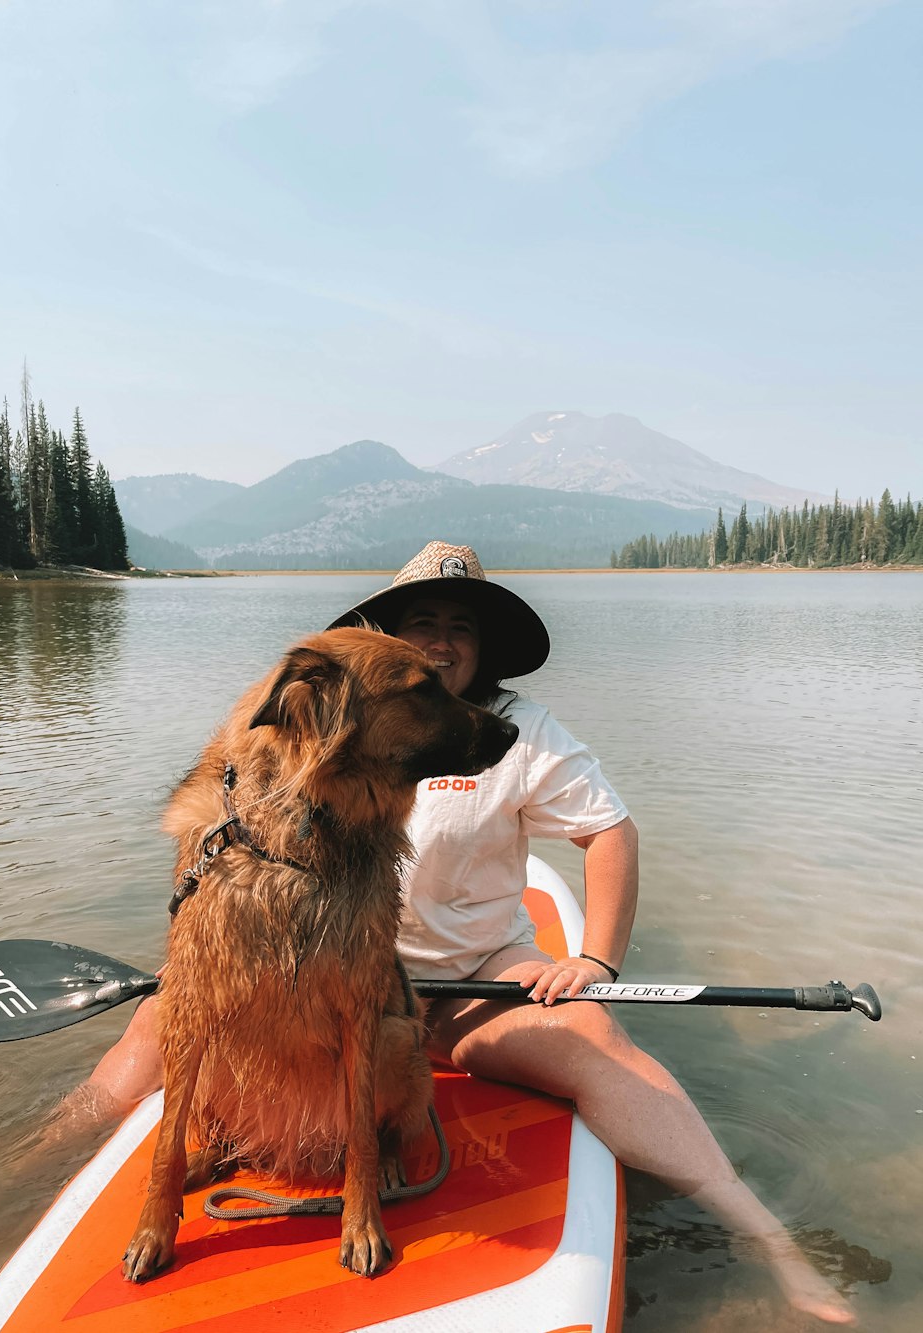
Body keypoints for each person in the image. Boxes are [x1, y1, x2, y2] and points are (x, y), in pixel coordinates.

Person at [55, 541, 854, 1325]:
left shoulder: (514, 730)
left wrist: (594, 958)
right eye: (422, 622)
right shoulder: (311, 724)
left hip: (473, 980)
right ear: (385, 642)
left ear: (485, 649)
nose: (440, 641)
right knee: (151, 1030)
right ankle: (40, 1173)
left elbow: (611, 831)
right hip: (322, 982)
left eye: (461, 627)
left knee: (595, 1042)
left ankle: (769, 1239)